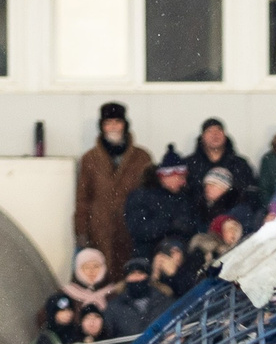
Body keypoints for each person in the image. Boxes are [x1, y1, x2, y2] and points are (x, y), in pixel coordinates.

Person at [74, 103, 155, 275]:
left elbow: (151, 196)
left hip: (132, 231)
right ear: (102, 127)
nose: (113, 127)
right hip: (99, 232)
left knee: (131, 276)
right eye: (108, 122)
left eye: (117, 122)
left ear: (125, 125)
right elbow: (82, 199)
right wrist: (81, 232)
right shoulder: (90, 159)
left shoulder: (142, 157)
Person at [124, 147, 198, 262]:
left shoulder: (184, 197)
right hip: (146, 258)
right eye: (180, 177)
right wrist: (170, 224)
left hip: (179, 257)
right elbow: (138, 229)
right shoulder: (141, 196)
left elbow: (192, 226)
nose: (183, 182)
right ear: (166, 175)